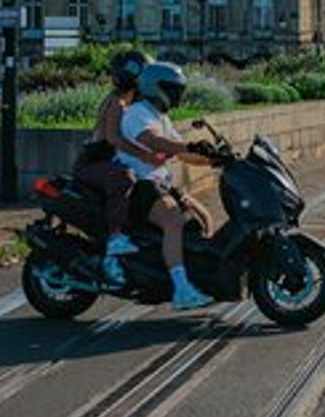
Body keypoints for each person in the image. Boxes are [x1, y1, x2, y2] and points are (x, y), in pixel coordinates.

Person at [116, 61, 218, 310]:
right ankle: (181, 290)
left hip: (159, 184)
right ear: (156, 88)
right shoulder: (138, 112)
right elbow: (153, 141)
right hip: (139, 185)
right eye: (173, 89)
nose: (177, 95)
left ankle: (193, 276)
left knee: (204, 219)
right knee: (174, 220)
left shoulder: (160, 116)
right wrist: (189, 147)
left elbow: (183, 153)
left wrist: (217, 160)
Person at [73, 50, 150, 286]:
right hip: (93, 163)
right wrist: (144, 154)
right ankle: (116, 236)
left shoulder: (124, 101)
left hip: (97, 160)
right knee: (123, 178)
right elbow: (113, 138)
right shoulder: (117, 102)